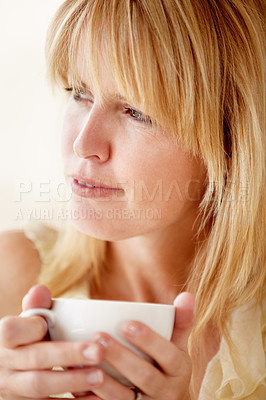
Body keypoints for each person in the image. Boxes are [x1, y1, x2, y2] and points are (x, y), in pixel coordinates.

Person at [0, 0, 265, 399]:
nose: (83, 144)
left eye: (136, 111)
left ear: (230, 144)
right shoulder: (12, 275)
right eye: (79, 92)